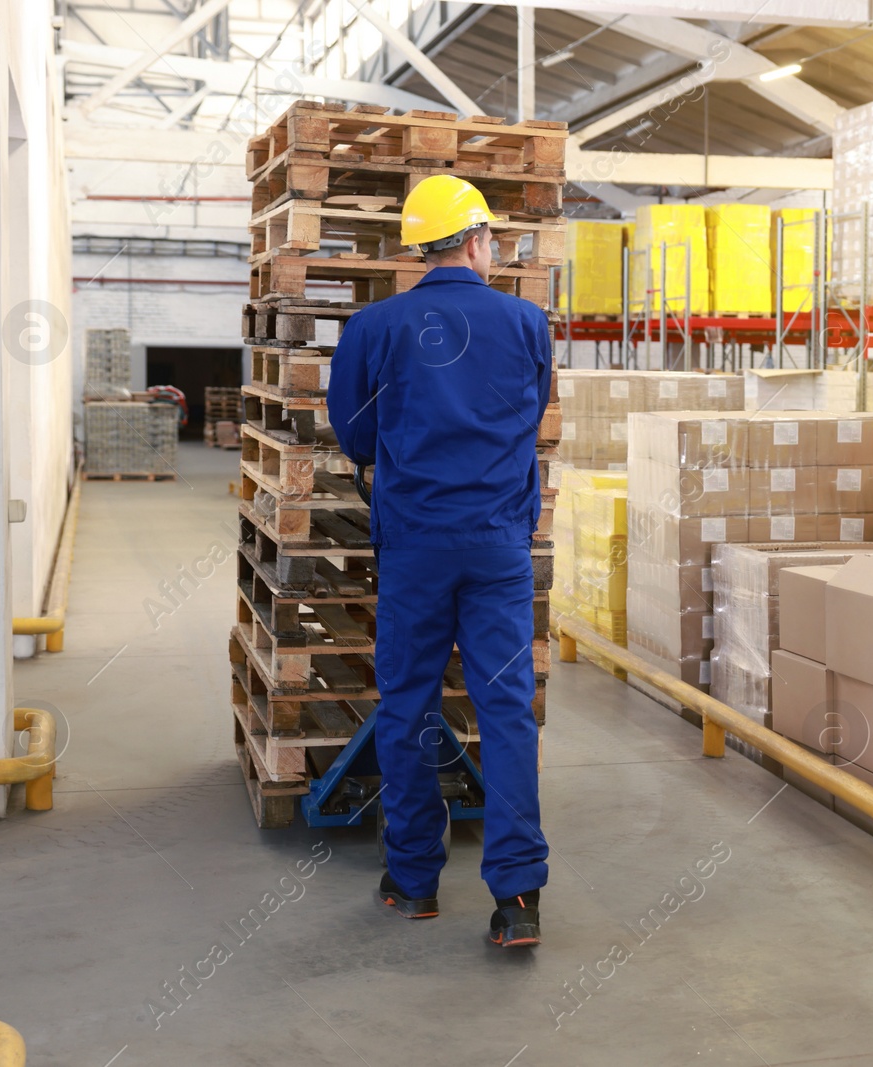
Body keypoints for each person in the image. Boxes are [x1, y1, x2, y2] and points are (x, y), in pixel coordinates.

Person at [326, 174, 551, 948]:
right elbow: (531, 417)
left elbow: (355, 437)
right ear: (481, 241)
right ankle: (517, 898)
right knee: (506, 710)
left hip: (417, 543)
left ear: (418, 249)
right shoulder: (527, 323)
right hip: (497, 547)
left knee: (410, 705)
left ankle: (415, 880)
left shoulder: (374, 327)